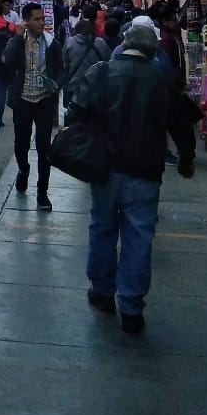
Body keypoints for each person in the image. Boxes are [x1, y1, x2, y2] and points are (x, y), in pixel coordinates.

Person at [69, 21, 196, 332]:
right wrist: (186, 159)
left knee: (102, 228)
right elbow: (181, 125)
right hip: (145, 171)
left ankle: (101, 292)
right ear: (153, 51)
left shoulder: (102, 72)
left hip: (105, 168)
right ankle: (131, 307)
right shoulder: (162, 80)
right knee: (139, 238)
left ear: (124, 45)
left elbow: (76, 112)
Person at [1, 2, 65, 211]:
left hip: (44, 100)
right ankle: (24, 169)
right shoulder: (18, 41)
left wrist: (56, 84)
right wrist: (18, 37)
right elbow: (6, 61)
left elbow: (60, 69)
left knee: (44, 147)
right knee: (21, 144)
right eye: (36, 19)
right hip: (23, 100)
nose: (41, 23)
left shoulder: (51, 42)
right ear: (26, 21)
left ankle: (42, 192)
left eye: (43, 19)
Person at [61, 18, 110, 110]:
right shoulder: (101, 43)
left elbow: (64, 68)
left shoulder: (70, 43)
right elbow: (108, 64)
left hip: (74, 89)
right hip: (97, 89)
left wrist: (64, 87)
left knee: (74, 119)